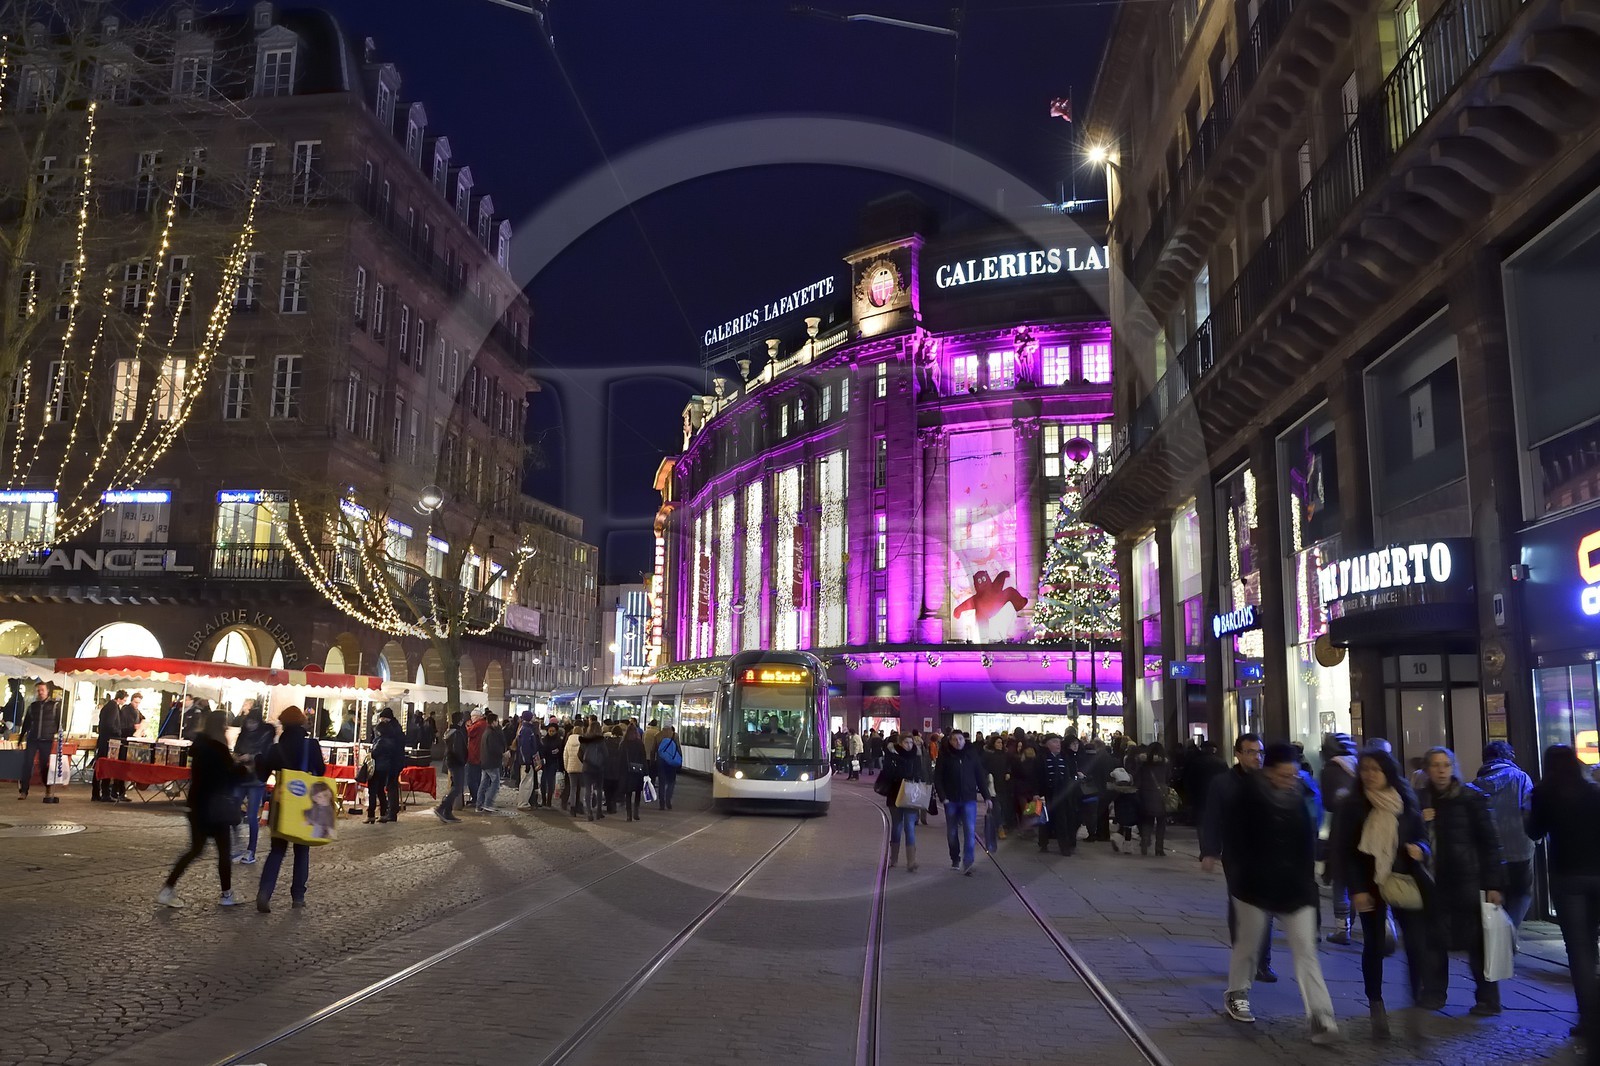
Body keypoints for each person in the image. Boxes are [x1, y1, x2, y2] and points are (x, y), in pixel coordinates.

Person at [1221, 743, 1338, 1044]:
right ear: (1270, 772)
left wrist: (1313, 878)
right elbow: (1234, 841)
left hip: (1295, 887)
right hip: (1254, 886)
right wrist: (1238, 876)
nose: (1290, 779)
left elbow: (1309, 839)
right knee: (1248, 945)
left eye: (1294, 774)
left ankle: (1321, 1015)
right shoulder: (1247, 795)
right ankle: (1237, 992)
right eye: (1285, 774)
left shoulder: (1303, 794)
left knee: (1306, 951)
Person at [1332, 746, 1432, 1040]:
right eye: (1365, 769)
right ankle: (1376, 1006)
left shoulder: (1405, 800)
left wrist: (1420, 850)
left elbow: (1422, 837)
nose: (1370, 775)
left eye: (1376, 769)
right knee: (1374, 944)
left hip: (1403, 879)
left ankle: (1415, 1005)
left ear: (1388, 771)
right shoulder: (1353, 805)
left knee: (1415, 944)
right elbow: (1346, 852)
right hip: (1369, 882)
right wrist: (1357, 890)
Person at [1417, 746, 1505, 1015]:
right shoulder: (1421, 800)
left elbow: (1490, 843)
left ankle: (1488, 998)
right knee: (1433, 940)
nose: (1441, 770)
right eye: (1435, 765)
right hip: (1434, 881)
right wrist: (1422, 821)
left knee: (1478, 942)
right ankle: (1434, 993)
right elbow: (1408, 836)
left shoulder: (1471, 798)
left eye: (1446, 764)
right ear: (1427, 769)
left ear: (1453, 767)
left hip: (1468, 880)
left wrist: (1494, 884)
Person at [1526, 745, 1600, 1047]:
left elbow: (1534, 832)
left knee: (1578, 950)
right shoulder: (1594, 792)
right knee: (1591, 941)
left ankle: (1588, 1019)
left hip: (1567, 877)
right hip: (1597, 874)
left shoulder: (1545, 793)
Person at [1200, 733, 1277, 983]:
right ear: (1238, 754)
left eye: (1260, 752)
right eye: (1251, 752)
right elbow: (1210, 818)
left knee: (1266, 907)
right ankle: (1243, 957)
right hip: (1236, 854)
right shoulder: (1222, 783)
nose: (1257, 757)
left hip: (1267, 852)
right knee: (1240, 906)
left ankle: (1263, 962)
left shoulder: (1270, 781)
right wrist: (1209, 851)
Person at [157, 710, 251, 908]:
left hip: (197, 806)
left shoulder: (199, 746)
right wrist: (242, 766)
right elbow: (231, 774)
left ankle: (167, 888)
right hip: (216, 806)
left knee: (195, 850)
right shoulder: (218, 749)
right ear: (220, 727)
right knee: (223, 852)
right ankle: (226, 894)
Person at [253, 706, 326, 913]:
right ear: (302, 723)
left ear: (283, 725)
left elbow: (261, 775)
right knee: (302, 850)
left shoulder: (276, 748)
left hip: (282, 801)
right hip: (304, 804)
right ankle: (298, 897)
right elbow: (321, 771)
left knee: (277, 850)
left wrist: (259, 759)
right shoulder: (310, 746)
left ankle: (265, 892)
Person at [1473, 740, 1535, 931]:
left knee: (1493, 896)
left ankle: (1497, 935)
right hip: (1520, 850)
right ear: (1509, 757)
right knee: (1522, 893)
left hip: (1488, 856)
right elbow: (1529, 811)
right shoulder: (1522, 778)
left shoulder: (1475, 785)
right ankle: (1510, 932)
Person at [1319, 733, 1360, 945]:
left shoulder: (1331, 769)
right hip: (1364, 829)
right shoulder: (1360, 764)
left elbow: (1328, 802)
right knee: (1360, 878)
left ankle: (1342, 928)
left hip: (1342, 829)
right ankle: (1382, 926)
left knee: (1340, 881)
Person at [934, 729, 992, 874]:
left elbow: (980, 777)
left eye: (960, 739)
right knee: (952, 832)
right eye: (955, 739)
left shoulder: (971, 755)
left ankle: (968, 862)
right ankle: (955, 857)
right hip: (951, 800)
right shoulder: (945, 756)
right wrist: (943, 797)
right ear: (950, 741)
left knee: (969, 831)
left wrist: (987, 797)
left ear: (964, 740)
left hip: (968, 799)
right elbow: (938, 778)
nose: (958, 742)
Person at [231, 709, 275, 863]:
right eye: (249, 721)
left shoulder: (266, 735)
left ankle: (251, 850)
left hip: (256, 779)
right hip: (241, 776)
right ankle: (236, 845)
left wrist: (252, 757)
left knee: (251, 816)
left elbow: (266, 755)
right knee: (232, 810)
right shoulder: (243, 734)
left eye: (253, 722)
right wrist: (237, 758)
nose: (250, 725)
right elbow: (236, 750)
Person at [880, 733, 923, 872]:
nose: (909, 745)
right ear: (900, 743)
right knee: (897, 826)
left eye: (911, 743)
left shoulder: (916, 756)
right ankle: (894, 858)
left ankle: (911, 861)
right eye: (906, 742)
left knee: (909, 826)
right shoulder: (892, 756)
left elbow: (921, 773)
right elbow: (888, 773)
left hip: (911, 795)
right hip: (895, 795)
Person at [15, 681, 62, 802]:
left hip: (46, 740)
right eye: (38, 690)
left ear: (47, 691)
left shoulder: (55, 706)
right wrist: (20, 739)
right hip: (33, 738)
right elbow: (26, 724)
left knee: (43, 765)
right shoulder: (32, 706)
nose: (40, 692)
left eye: (42, 690)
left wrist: (55, 735)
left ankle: (48, 788)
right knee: (27, 764)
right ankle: (24, 791)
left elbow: (59, 723)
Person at [1034, 734, 1076, 856]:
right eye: (1054, 742)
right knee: (1044, 819)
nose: (1058, 744)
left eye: (1059, 742)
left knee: (1062, 820)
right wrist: (1036, 793)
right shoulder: (1041, 758)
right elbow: (1036, 777)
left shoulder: (1064, 757)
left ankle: (1064, 847)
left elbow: (1068, 775)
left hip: (1061, 794)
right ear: (1047, 744)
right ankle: (1043, 843)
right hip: (1045, 794)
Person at [368, 708, 406, 823]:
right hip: (395, 761)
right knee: (390, 786)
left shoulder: (391, 730)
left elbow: (389, 748)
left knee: (391, 786)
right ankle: (390, 811)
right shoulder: (396, 727)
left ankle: (392, 812)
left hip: (392, 762)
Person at [1134, 740, 1170, 856]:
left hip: (1146, 794)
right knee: (1161, 822)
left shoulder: (1144, 764)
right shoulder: (1165, 764)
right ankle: (1159, 848)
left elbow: (1137, 777)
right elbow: (1169, 777)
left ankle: (1144, 844)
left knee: (1147, 820)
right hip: (1161, 795)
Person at [432, 711, 468, 824]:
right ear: (460, 720)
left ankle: (447, 812)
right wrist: (462, 760)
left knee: (455, 786)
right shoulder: (457, 733)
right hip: (456, 762)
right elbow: (457, 750)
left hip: (452, 761)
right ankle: (442, 807)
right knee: (457, 787)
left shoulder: (451, 732)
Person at [91, 690, 127, 802]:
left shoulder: (108, 706)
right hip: (108, 741)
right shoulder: (113, 707)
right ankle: (104, 793)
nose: (124, 702)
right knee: (105, 766)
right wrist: (118, 732)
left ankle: (97, 793)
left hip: (103, 739)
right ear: (119, 699)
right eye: (124, 700)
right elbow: (110, 724)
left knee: (100, 765)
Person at [476, 711, 505, 813]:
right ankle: (488, 803)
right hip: (492, 762)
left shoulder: (486, 732)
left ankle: (479, 805)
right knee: (495, 783)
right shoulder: (491, 733)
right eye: (497, 721)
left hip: (485, 761)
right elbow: (494, 748)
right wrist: (502, 754)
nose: (498, 723)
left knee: (483, 783)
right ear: (493, 722)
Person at [579, 720, 607, 821]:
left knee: (588, 789)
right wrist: (601, 763)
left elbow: (580, 753)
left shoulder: (584, 738)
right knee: (599, 789)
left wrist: (585, 762)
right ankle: (599, 811)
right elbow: (605, 754)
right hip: (598, 768)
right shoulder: (601, 739)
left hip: (587, 767)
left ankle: (589, 812)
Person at [621, 723, 648, 821]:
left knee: (628, 794)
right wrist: (646, 772)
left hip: (627, 771)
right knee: (637, 793)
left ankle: (629, 815)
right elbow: (643, 758)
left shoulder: (624, 743)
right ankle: (636, 812)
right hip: (638, 771)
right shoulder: (639, 743)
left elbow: (620, 758)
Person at [464, 710, 488, 809]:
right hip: (481, 755)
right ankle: (479, 798)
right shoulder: (485, 724)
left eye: (472, 717)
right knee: (478, 779)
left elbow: (468, 732)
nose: (471, 719)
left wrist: (467, 726)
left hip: (474, 756)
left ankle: (476, 799)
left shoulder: (478, 725)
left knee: (472, 779)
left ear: (477, 717)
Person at [656, 725, 683, 810]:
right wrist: (680, 761)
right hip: (671, 762)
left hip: (661, 762)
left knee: (662, 783)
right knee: (671, 782)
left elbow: (654, 749)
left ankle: (661, 803)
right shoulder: (675, 736)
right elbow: (678, 749)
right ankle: (668, 799)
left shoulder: (658, 736)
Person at [563, 720, 587, 814]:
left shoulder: (569, 740)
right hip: (582, 767)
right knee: (581, 788)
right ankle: (580, 806)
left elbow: (565, 755)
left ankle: (572, 807)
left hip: (571, 767)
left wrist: (566, 767)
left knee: (573, 788)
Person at [539, 723, 564, 808]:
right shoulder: (544, 739)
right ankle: (543, 800)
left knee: (550, 781)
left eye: (553, 731)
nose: (551, 732)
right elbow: (541, 751)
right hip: (545, 763)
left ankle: (549, 800)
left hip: (553, 763)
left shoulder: (559, 741)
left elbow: (560, 753)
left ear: (556, 731)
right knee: (543, 781)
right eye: (549, 731)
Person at [602, 724, 624, 813]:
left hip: (607, 767)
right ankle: (613, 804)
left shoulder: (606, 741)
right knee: (615, 787)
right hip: (618, 768)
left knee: (607, 788)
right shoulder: (622, 743)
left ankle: (608, 804)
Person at [643, 718, 662, 785]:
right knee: (653, 771)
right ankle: (652, 783)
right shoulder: (658, 733)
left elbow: (642, 742)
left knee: (647, 769)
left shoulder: (646, 732)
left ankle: (646, 782)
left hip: (646, 754)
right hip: (654, 755)